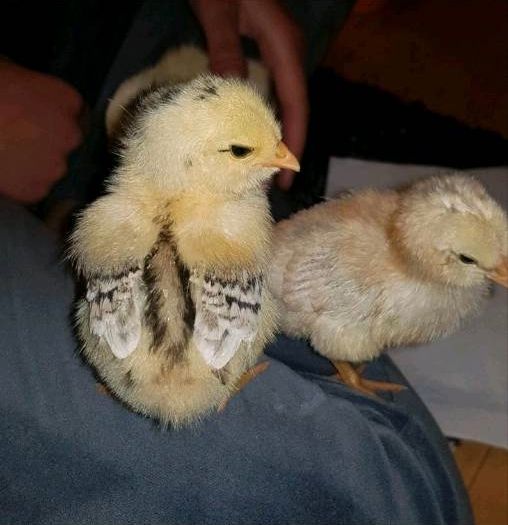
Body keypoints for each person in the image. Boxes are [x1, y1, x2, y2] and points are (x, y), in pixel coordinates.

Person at [0, 1, 473, 523]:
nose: (286, 155)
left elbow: (119, 316)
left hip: (134, 356)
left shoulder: (120, 216)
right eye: (248, 151)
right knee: (398, 488)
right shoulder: (229, 231)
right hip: (190, 366)